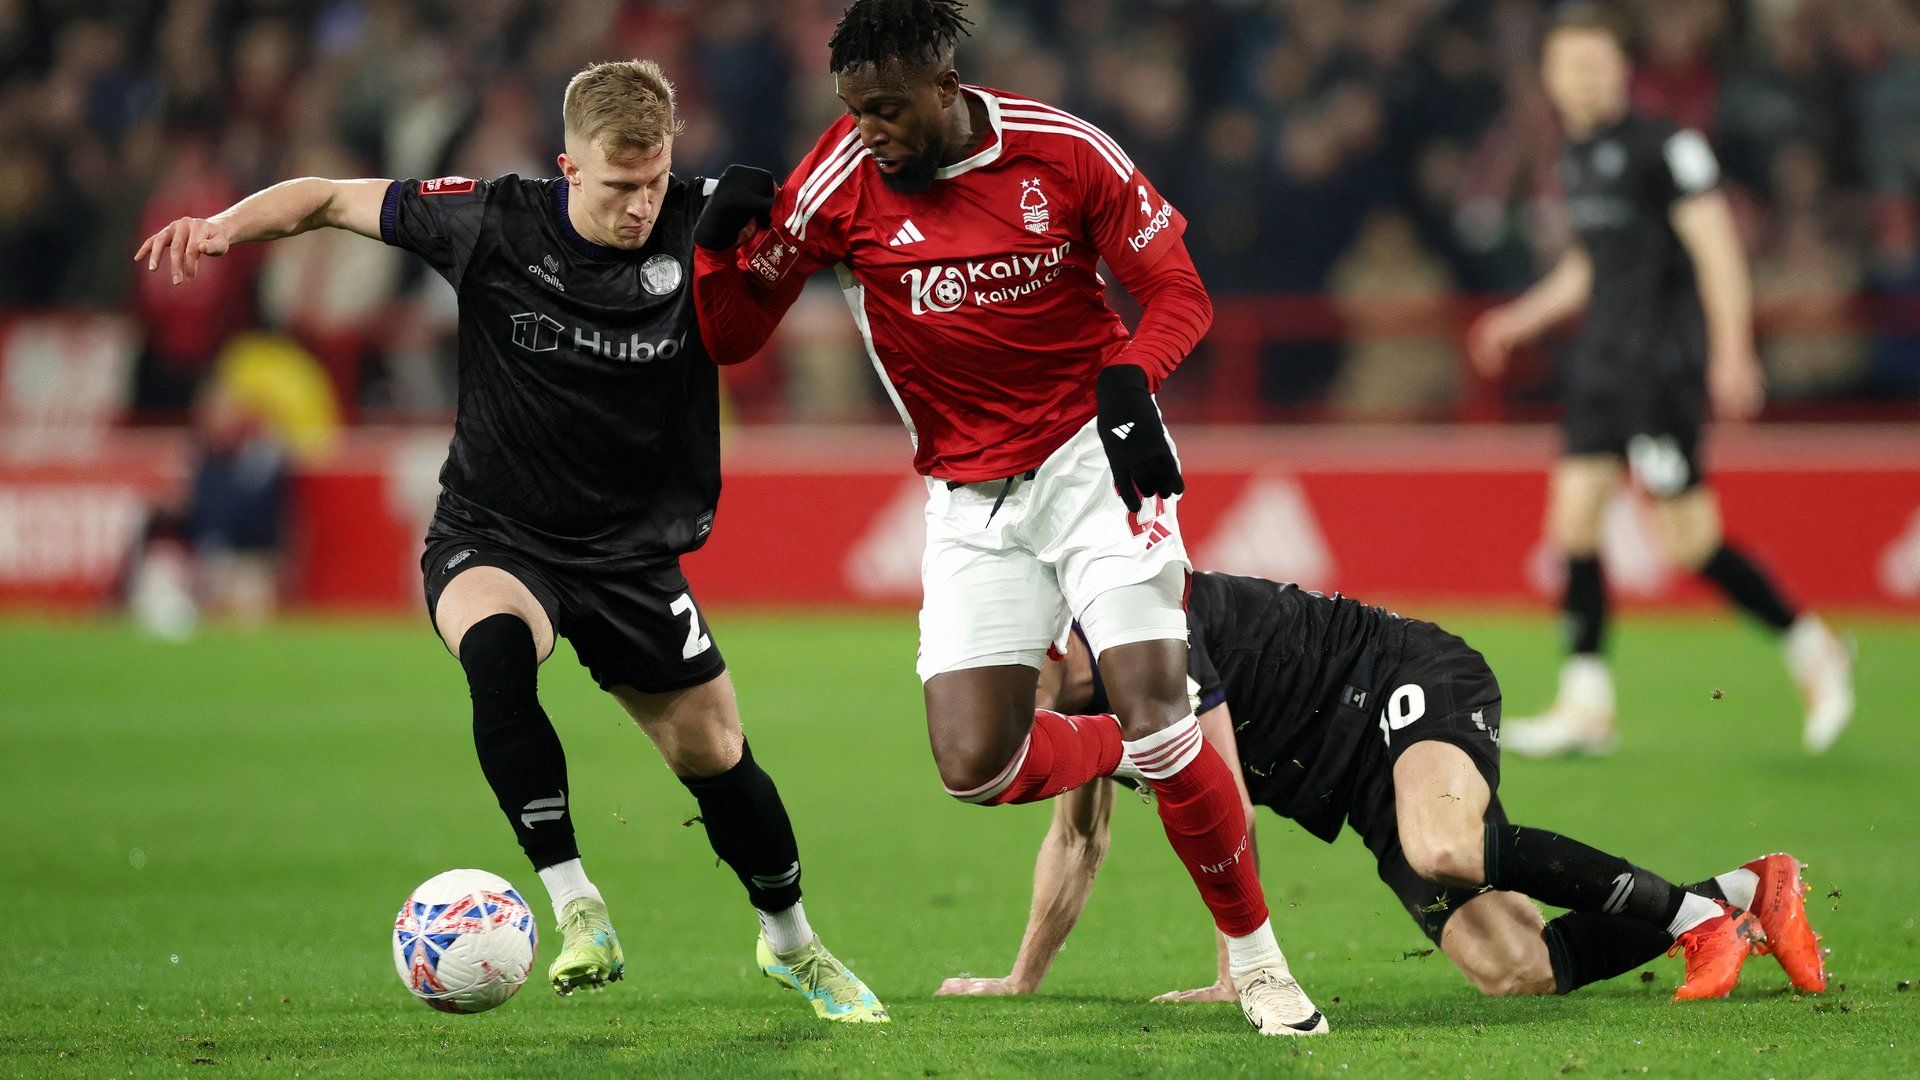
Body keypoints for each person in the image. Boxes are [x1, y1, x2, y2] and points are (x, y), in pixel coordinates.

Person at [134, 60, 886, 1023]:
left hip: (632, 556)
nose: (641, 206)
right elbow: (325, 197)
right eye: (619, 187)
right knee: (497, 653)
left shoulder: (709, 217)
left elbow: (858, 225)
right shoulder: (490, 217)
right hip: (496, 531)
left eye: (655, 182)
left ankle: (792, 944)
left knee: (716, 754)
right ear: (567, 167)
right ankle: (578, 908)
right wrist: (224, 225)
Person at [692, 0, 1315, 1037]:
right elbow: (732, 338)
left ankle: (1260, 967)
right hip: (965, 498)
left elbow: (1179, 293)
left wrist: (1128, 381)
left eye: (887, 110)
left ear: (945, 88)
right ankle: (1143, 749)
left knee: (1160, 695)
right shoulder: (837, 178)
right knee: (974, 767)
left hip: (1089, 462)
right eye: (853, 113)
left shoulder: (1062, 151)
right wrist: (721, 254)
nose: (869, 133)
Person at [936, 571, 1830, 1004]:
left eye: (1000, 668)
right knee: (1513, 967)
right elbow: (1078, 842)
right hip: (1352, 773)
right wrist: (1022, 981)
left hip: (1399, 673)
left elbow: (1225, 807)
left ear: (1048, 646)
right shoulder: (1074, 709)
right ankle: (1751, 892)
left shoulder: (1149, 631)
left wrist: (1240, 974)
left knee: (1438, 844)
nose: (991, 695)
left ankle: (1694, 923)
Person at [1467, 3, 1853, 758]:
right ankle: (1587, 702)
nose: (1581, 80)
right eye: (1567, 67)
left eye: (1594, 65)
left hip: (1660, 367)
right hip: (1602, 364)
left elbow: (1717, 250)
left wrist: (1733, 352)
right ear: (1548, 76)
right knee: (1573, 521)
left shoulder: (1668, 147)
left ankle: (1812, 645)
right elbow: (1592, 263)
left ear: (1622, 70)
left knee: (1690, 541)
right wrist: (1523, 316)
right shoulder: (1573, 154)